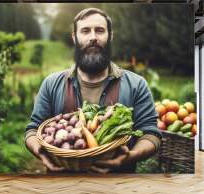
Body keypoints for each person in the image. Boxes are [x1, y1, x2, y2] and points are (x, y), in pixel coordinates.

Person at [24, 8, 161, 173]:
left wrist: (129, 157)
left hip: (118, 189)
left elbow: (151, 134)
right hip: (61, 188)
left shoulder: (136, 84)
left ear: (110, 36)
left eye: (100, 30)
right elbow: (33, 129)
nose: (93, 37)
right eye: (85, 31)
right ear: (75, 38)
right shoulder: (51, 83)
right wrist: (41, 153)